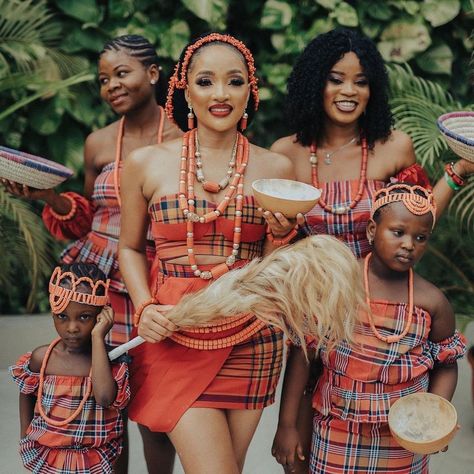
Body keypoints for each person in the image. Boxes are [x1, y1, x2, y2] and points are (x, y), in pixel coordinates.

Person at [1, 34, 181, 473]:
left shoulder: (184, 140)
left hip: (153, 288)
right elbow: (83, 218)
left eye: (122, 73)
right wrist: (48, 198)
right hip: (98, 288)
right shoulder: (98, 142)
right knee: (103, 404)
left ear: (153, 74)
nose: (111, 86)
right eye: (104, 79)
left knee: (155, 410)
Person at [118, 33, 296, 473]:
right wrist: (143, 307)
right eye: (206, 81)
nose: (220, 94)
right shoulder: (145, 162)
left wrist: (281, 234)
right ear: (184, 89)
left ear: (249, 91)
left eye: (234, 82)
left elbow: (272, 266)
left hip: (251, 337)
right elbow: (129, 247)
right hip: (174, 333)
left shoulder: (276, 168)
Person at [272, 183, 466, 473]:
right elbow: (304, 355)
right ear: (373, 230)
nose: (409, 244)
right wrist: (287, 425)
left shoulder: (433, 302)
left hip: (401, 438)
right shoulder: (339, 286)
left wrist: (434, 420)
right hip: (337, 427)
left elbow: (447, 364)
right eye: (398, 232)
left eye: (421, 237)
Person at [269, 28, 474, 257]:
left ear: (372, 90)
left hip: (378, 287)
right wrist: (281, 232)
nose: (349, 91)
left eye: (361, 82)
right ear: (314, 85)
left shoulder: (395, 147)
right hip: (309, 287)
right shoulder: (285, 153)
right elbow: (273, 247)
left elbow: (420, 219)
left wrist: (459, 171)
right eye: (336, 80)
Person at [9, 263, 130, 474]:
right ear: (53, 314)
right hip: (50, 456)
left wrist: (97, 337)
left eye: (84, 317)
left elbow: (104, 398)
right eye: (62, 316)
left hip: (93, 461)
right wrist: (25, 435)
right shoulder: (43, 358)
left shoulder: (111, 361)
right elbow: (27, 393)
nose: (72, 328)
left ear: (102, 316)